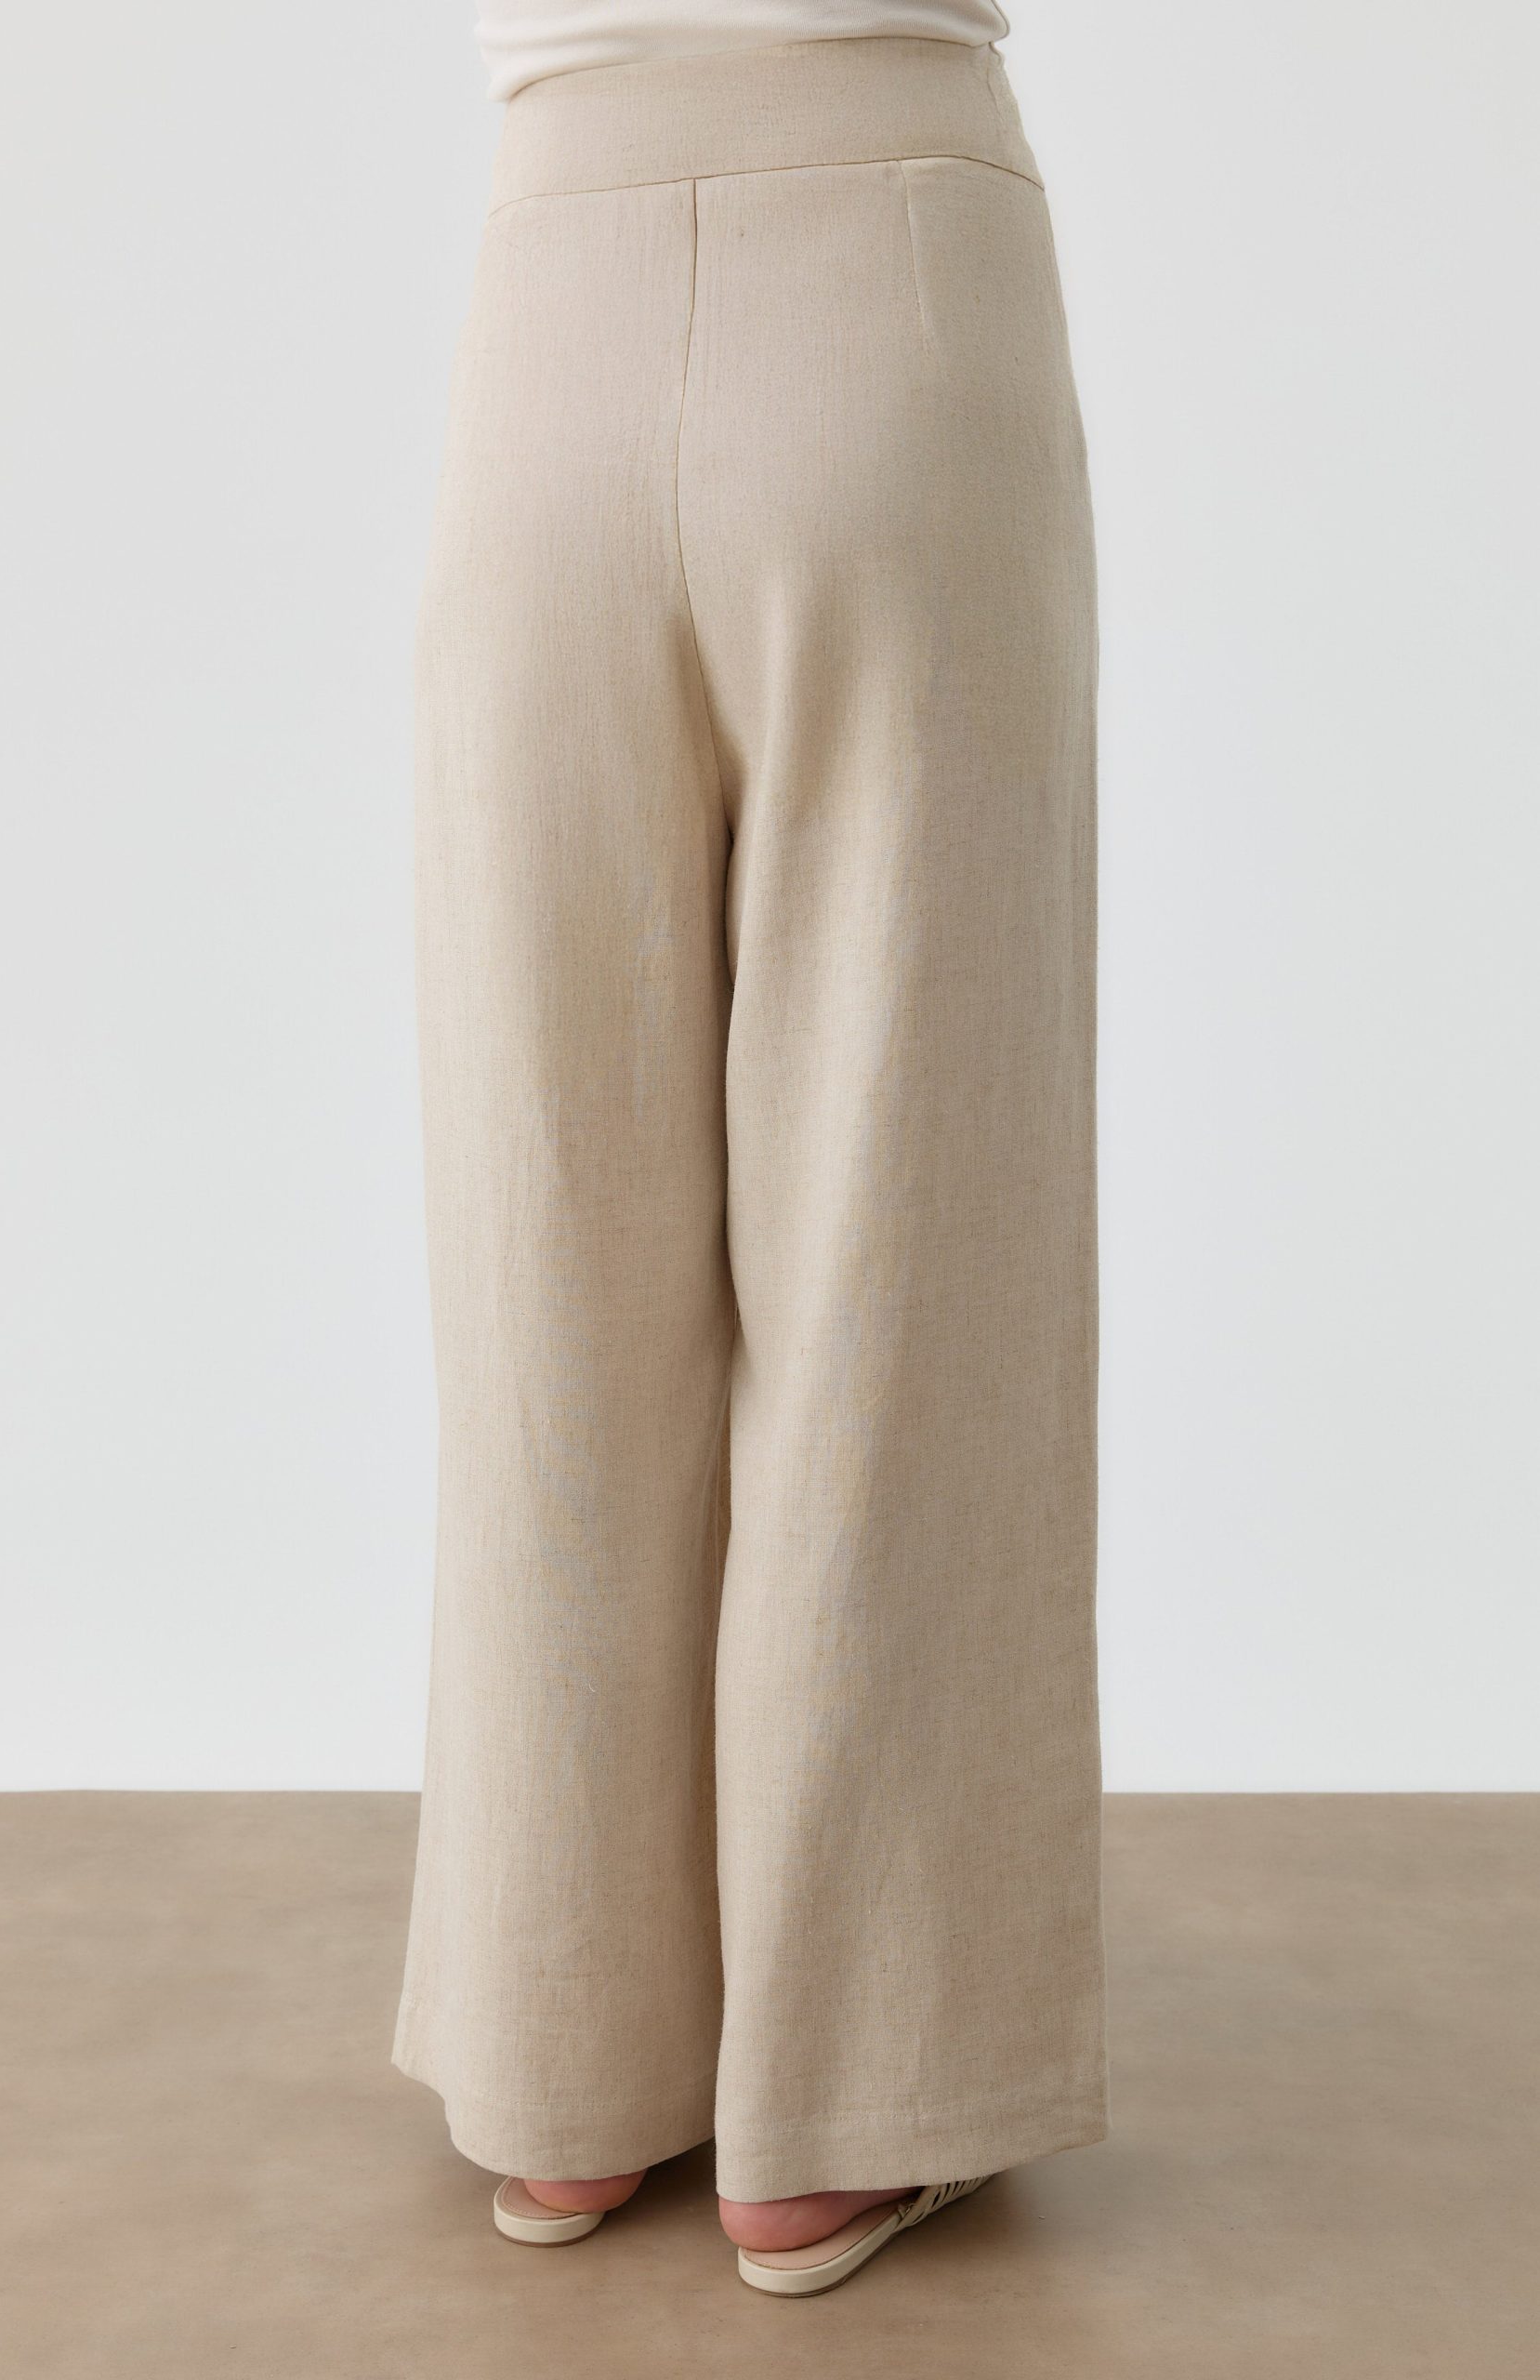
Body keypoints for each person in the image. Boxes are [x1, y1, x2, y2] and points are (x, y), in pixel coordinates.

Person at [393, 1, 1106, 2297]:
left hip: (552, 300)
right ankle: (847, 2096)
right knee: (905, 1212)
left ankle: (562, 2065)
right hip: (897, 278)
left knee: (549, 1229)